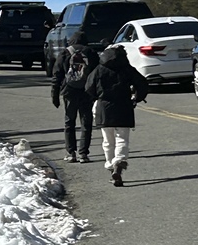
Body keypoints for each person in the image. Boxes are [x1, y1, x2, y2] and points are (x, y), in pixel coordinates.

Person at [85, 43, 149, 186]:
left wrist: (98, 96)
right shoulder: (127, 69)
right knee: (122, 139)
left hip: (104, 107)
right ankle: (119, 163)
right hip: (123, 106)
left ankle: (110, 164)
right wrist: (136, 97)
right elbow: (142, 83)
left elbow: (89, 87)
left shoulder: (99, 69)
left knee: (108, 141)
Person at [51, 32, 98, 163]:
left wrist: (55, 94)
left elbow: (57, 75)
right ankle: (83, 154)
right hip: (86, 91)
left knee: (69, 122)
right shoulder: (91, 53)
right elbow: (97, 74)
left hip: (69, 91)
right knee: (86, 123)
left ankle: (71, 153)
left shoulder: (65, 53)